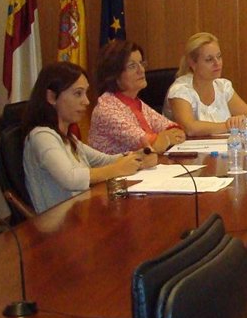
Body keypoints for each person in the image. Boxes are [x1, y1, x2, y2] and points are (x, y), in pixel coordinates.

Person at [22, 62, 157, 213]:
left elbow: (103, 160)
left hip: (79, 214)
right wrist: (116, 169)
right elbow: (71, 178)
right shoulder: (41, 136)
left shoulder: (68, 137)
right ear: (52, 97)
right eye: (78, 93)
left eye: (85, 93)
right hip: (58, 224)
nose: (86, 101)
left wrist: (137, 157)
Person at [88, 39, 185, 155]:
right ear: (114, 74)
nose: (141, 70)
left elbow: (177, 131)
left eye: (141, 63)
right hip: (116, 167)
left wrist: (164, 138)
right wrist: (161, 139)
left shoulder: (136, 103)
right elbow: (151, 145)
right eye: (132, 66)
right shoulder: (106, 109)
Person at [165, 32, 247, 136]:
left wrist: (241, 120)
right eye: (209, 59)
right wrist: (229, 126)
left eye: (219, 56)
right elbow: (190, 128)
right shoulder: (180, 90)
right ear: (192, 63)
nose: (217, 63)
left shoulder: (223, 87)